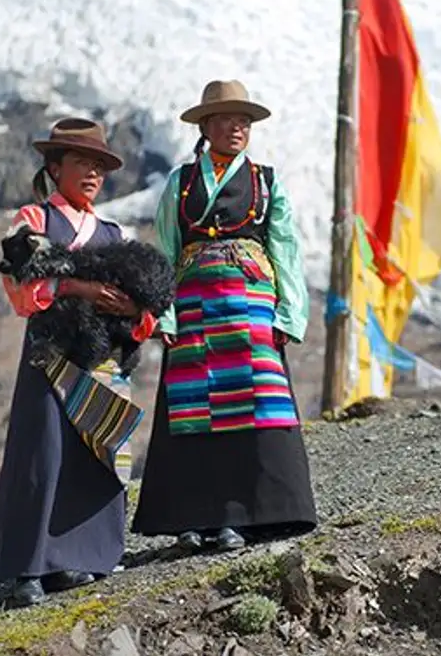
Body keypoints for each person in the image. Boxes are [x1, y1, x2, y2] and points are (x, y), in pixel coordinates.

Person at [132, 80, 316, 552]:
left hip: (251, 308)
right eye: (228, 119)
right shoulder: (182, 182)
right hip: (193, 309)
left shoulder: (266, 181)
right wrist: (165, 315)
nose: (238, 128)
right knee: (195, 410)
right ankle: (196, 517)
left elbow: (286, 251)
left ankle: (254, 515)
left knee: (255, 406)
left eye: (245, 121)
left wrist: (289, 315)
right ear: (207, 126)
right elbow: (168, 250)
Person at [0, 117, 156, 607]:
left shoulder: (114, 232)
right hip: (51, 354)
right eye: (81, 163)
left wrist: (129, 307)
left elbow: (140, 304)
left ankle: (82, 557)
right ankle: (30, 568)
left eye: (99, 167)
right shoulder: (33, 222)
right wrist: (79, 287)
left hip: (102, 357)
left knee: (93, 452)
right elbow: (22, 287)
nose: (92, 174)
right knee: (43, 450)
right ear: (54, 167)